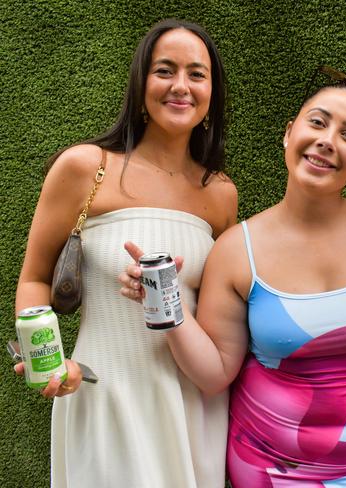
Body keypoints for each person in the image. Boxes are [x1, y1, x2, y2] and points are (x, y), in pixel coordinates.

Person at [120, 67, 346, 486]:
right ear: (289, 133)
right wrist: (165, 302)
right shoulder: (236, 250)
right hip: (268, 468)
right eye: (318, 122)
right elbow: (214, 373)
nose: (327, 140)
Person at [14, 19, 236, 488]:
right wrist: (48, 366)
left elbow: (223, 311)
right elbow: (34, 278)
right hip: (106, 395)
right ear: (140, 86)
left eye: (197, 74)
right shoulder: (84, 168)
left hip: (194, 404)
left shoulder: (220, 194)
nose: (181, 85)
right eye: (165, 70)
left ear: (211, 94)